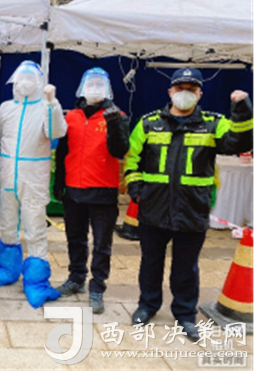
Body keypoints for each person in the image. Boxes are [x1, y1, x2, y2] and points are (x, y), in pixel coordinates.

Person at [125, 67, 253, 340]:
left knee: (186, 267)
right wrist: (137, 191)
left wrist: (242, 109)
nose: (185, 93)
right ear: (170, 91)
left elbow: (239, 143)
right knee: (150, 263)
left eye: (191, 89)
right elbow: (132, 158)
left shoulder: (213, 123)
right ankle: (147, 305)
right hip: (153, 208)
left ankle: (185, 314)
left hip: (192, 209)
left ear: (200, 94)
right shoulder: (148, 123)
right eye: (180, 88)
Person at [0, 60, 67, 309]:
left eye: (31, 78)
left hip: (34, 179)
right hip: (8, 178)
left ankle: (36, 281)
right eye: (22, 77)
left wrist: (52, 104)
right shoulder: (6, 108)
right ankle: (7, 268)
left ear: (39, 82)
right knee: (7, 225)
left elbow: (56, 132)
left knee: (35, 229)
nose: (25, 82)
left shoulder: (46, 107)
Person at [54, 67, 130, 314]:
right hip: (73, 191)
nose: (95, 88)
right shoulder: (71, 117)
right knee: (75, 238)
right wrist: (59, 182)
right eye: (91, 83)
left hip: (103, 192)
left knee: (101, 244)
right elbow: (63, 152)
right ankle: (76, 277)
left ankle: (97, 286)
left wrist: (114, 124)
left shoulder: (117, 116)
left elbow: (120, 151)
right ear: (82, 87)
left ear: (107, 88)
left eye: (100, 84)